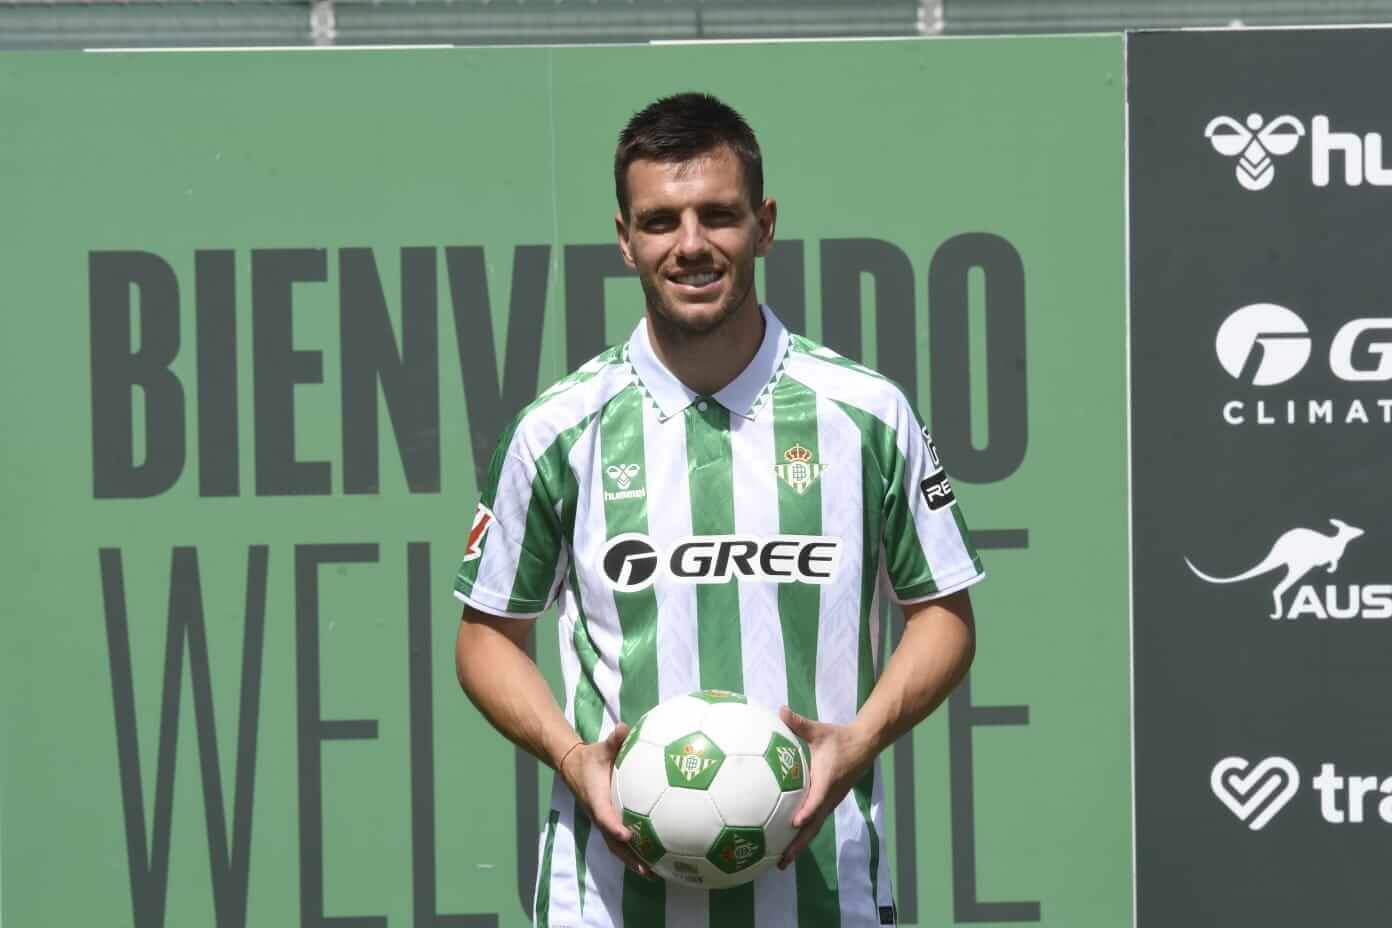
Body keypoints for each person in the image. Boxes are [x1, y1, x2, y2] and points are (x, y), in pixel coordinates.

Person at [454, 92, 981, 928]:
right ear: (625, 238)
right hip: (607, 902)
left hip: (821, 894)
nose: (690, 245)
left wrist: (862, 737)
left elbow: (944, 613)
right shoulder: (556, 431)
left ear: (764, 225)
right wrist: (571, 754)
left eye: (718, 216)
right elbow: (487, 635)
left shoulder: (866, 413)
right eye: (660, 221)